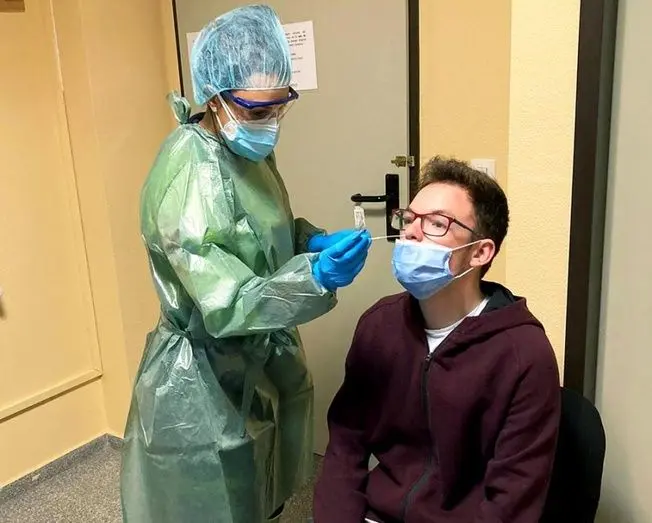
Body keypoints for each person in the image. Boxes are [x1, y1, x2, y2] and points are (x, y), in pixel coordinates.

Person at [120, 5, 371, 523]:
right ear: (214, 98)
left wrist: (309, 241)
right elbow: (227, 301)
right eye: (257, 111)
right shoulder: (189, 173)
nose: (270, 123)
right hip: (200, 382)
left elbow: (256, 235)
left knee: (260, 490)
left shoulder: (245, 151)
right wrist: (313, 277)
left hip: (256, 359)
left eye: (280, 106)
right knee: (215, 501)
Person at [314, 157, 561, 522]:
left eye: (436, 223)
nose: (411, 233)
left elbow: (511, 500)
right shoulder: (380, 325)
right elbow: (345, 444)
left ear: (480, 252)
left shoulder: (523, 354)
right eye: (408, 218)